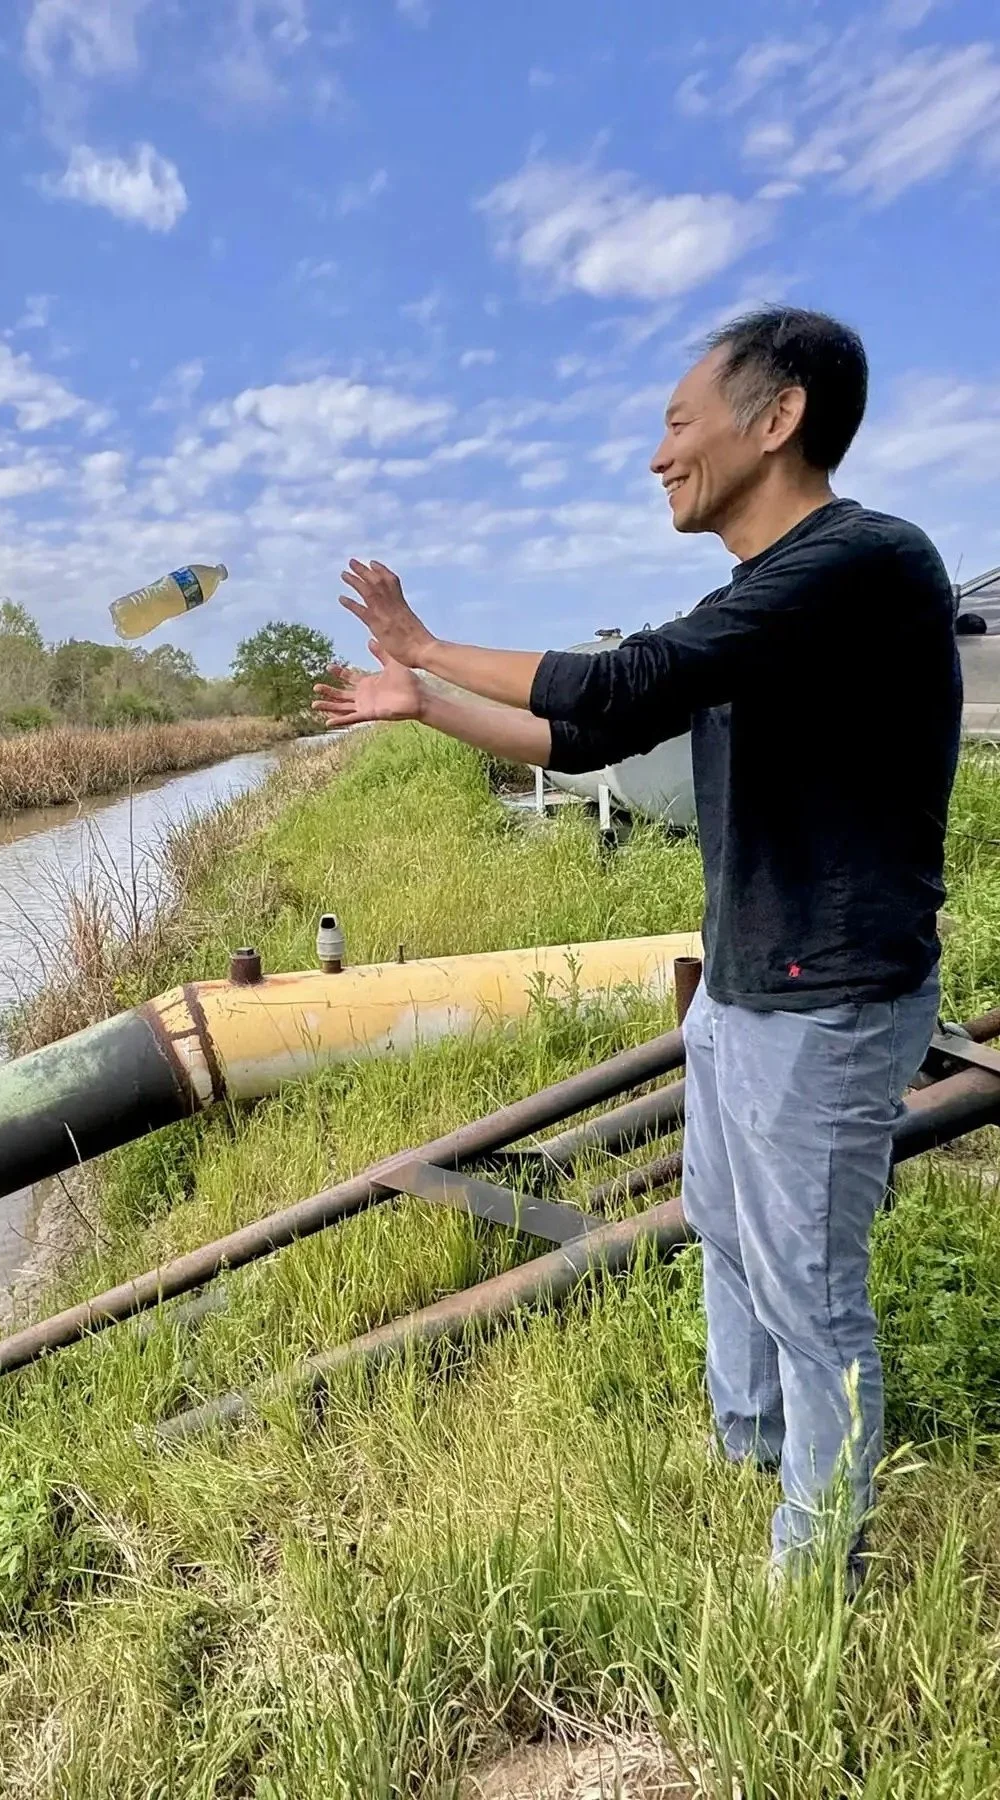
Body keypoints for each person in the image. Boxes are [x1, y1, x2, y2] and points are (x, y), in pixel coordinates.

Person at [314, 306, 959, 1577]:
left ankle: (810, 1578)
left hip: (825, 998)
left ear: (776, 420)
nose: (658, 454)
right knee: (724, 1229)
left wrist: (432, 644)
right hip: (745, 988)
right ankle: (748, 1454)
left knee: (812, 1300)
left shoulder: (865, 563)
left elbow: (618, 687)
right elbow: (594, 736)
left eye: (677, 421)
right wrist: (424, 698)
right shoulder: (768, 596)